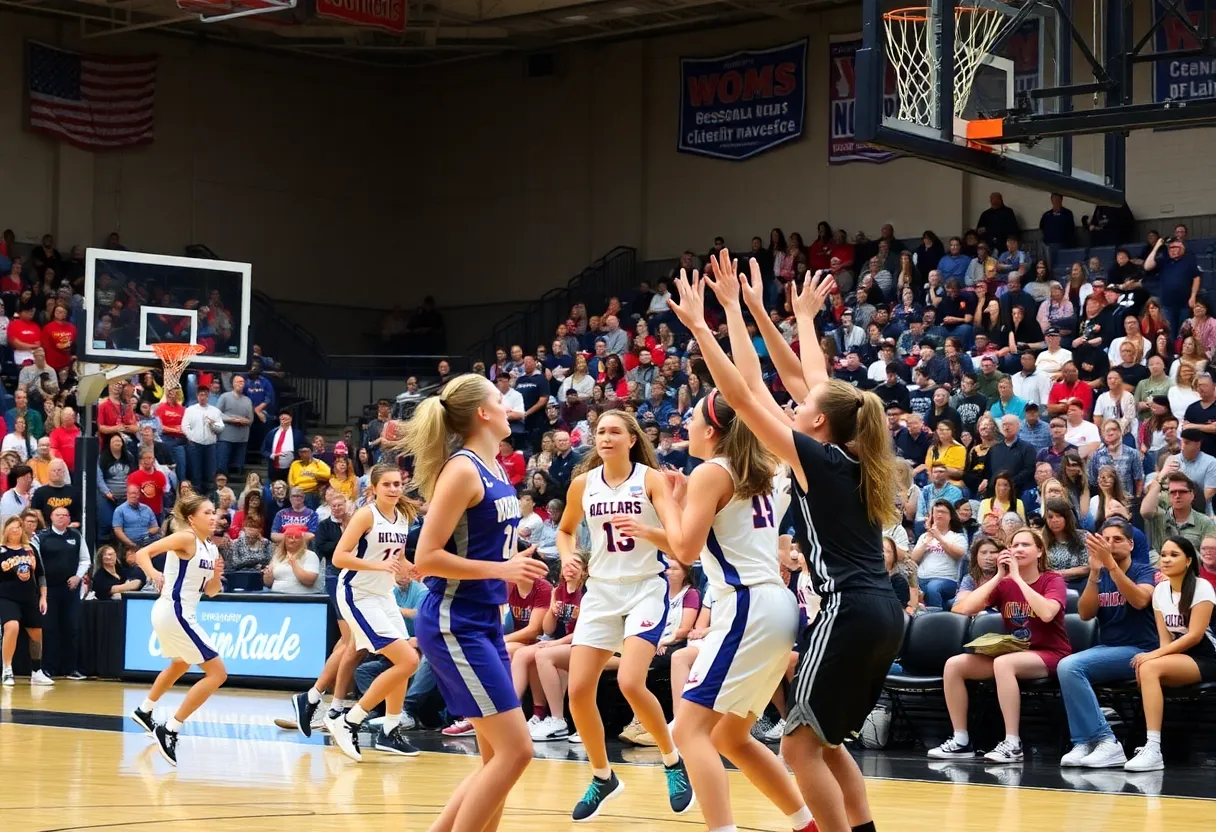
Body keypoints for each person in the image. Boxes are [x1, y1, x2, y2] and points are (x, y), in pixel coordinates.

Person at [667, 253, 903, 832]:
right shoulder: (852, 453)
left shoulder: (817, 461)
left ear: (818, 425)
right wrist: (792, 318)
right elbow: (813, 381)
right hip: (883, 613)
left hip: (845, 611)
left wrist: (706, 325)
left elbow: (747, 396)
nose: (793, 405)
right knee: (824, 742)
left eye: (800, 410)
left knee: (799, 749)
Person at [657, 388, 814, 832]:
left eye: (689, 420)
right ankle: (807, 824)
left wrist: (671, 503)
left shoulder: (712, 470)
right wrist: (686, 503)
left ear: (710, 431)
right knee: (729, 736)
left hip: (747, 605)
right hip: (774, 605)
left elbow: (684, 550)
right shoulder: (758, 472)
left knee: (687, 732)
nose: (683, 426)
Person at [398, 374, 549, 832]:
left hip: (484, 619)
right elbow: (426, 557)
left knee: (494, 763)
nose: (508, 407)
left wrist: (510, 558)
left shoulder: (497, 466)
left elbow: (475, 546)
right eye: (500, 400)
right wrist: (501, 570)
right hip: (453, 620)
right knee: (517, 752)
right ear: (483, 413)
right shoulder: (462, 468)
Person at [556, 409, 694, 821]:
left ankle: (672, 760)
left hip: (644, 589)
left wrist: (645, 530)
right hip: (600, 591)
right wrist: (568, 559)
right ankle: (603, 777)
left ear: (632, 439)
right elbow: (565, 530)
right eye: (600, 432)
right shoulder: (583, 484)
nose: (606, 437)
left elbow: (679, 542)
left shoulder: (650, 480)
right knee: (578, 691)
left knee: (632, 681)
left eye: (615, 431)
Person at [930, 528, 1072, 763]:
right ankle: (961, 740)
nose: (1018, 549)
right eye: (1014, 545)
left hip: (1051, 654)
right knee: (954, 665)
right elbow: (963, 609)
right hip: (1016, 652)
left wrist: (1017, 578)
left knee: (1004, 664)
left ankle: (1013, 744)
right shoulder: (1004, 584)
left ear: (1039, 552)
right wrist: (998, 576)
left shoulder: (1052, 580)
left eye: (1025, 545)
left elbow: (1046, 613)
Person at [322, 463, 421, 759]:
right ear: (373, 488)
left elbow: (397, 557)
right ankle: (351, 719)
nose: (394, 488)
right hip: (358, 593)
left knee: (401, 663)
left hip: (383, 594)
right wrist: (378, 566)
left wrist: (411, 569)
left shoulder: (403, 515)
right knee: (409, 660)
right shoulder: (366, 515)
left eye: (397, 484)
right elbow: (339, 557)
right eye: (387, 484)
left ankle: (389, 731)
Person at [130, 494, 228, 766]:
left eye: (214, 513)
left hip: (179, 613)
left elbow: (211, 592)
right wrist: (153, 573)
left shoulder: (212, 548)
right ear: (192, 518)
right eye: (207, 513)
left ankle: (145, 710)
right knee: (218, 674)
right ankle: (170, 728)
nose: (213, 517)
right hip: (175, 611)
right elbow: (142, 553)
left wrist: (217, 574)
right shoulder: (186, 538)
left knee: (181, 663)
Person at [1057, 518, 1157, 768]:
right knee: (1066, 667)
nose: (1110, 544)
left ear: (1131, 544)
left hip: (1142, 650)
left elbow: (1140, 600)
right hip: (1109, 649)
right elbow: (1085, 614)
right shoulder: (1100, 574)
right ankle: (1085, 741)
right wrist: (1093, 573)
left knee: (1071, 666)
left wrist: (1111, 566)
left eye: (1117, 539)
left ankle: (1106, 741)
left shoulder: (1143, 570)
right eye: (1106, 540)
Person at [1129, 536, 1216, 771]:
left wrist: (1154, 657)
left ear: (1188, 561)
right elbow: (1165, 639)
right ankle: (1152, 744)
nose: (1166, 559)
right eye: (1164, 554)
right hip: (1180, 653)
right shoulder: (1159, 591)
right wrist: (1155, 655)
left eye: (1174, 555)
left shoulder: (1202, 587)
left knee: (1148, 666)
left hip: (1205, 656)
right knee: (1144, 669)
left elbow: (1195, 636)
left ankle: (1153, 748)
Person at [36, 505, 90, 680]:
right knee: (49, 628)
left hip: (70, 589)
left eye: (65, 515)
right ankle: (48, 668)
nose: (61, 518)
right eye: (58, 515)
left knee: (72, 627)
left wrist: (77, 577)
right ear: (51, 517)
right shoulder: (42, 537)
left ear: (69, 519)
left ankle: (71, 668)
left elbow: (85, 560)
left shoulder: (75, 535)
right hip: (49, 589)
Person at [0, 516, 51, 686]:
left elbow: (41, 575)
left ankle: (36, 671)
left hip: (30, 597)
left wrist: (43, 597)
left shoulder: (30, 549)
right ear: (6, 529)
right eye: (13, 527)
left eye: (19, 527)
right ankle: (7, 669)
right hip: (6, 596)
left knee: (36, 632)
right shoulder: (1, 550)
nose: (16, 530)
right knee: (12, 626)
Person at [183, 388, 224, 493]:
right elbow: (185, 426)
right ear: (197, 396)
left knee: (210, 472)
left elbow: (220, 429)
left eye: (205, 395)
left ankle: (209, 496)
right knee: (196, 473)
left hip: (210, 446)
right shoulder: (190, 410)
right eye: (201, 395)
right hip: (195, 445)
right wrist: (192, 438)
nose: (203, 397)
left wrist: (212, 424)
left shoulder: (215, 411)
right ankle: (196, 496)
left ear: (208, 396)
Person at [261, 526, 321, 594]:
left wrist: (293, 563)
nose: (293, 540)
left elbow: (309, 581)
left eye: (297, 537)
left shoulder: (310, 555)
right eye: (289, 537)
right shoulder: (278, 556)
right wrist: (267, 576)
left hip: (302, 598)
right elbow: (268, 584)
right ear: (284, 540)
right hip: (277, 596)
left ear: (302, 541)